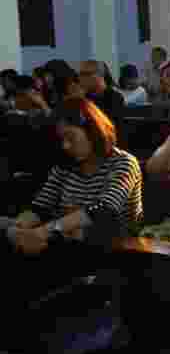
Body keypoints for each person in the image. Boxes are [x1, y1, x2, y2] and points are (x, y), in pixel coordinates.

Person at [0, 98, 142, 307]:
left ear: (93, 130)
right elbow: (40, 206)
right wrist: (21, 230)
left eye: (71, 137)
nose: (65, 146)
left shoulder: (123, 163)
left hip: (107, 251)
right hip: (65, 245)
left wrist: (45, 231)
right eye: (61, 139)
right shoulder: (65, 166)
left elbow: (104, 209)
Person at [80, 60, 125, 132]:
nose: (81, 78)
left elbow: (109, 127)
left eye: (86, 74)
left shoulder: (114, 98)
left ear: (100, 75)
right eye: (80, 74)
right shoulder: (84, 97)